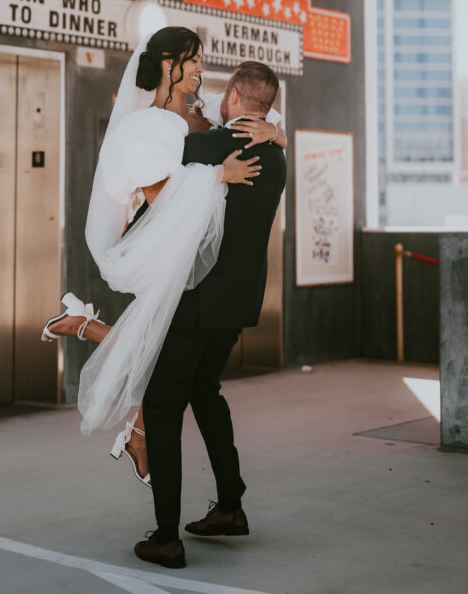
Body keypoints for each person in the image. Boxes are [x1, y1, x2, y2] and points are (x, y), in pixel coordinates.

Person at [41, 29, 283, 482]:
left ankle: (128, 418)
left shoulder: (200, 110)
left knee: (158, 349)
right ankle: (126, 414)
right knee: (158, 351)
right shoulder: (147, 125)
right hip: (166, 244)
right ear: (168, 63)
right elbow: (157, 195)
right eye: (193, 60)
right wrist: (219, 174)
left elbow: (253, 105)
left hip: (193, 246)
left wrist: (276, 131)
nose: (200, 68)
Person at [134, 61, 287, 568]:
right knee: (205, 392)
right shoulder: (277, 154)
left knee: (161, 405)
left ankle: (165, 535)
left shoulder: (213, 145)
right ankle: (229, 506)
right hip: (240, 304)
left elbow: (158, 154)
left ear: (236, 96)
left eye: (225, 93)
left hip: (196, 301)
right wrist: (278, 131)